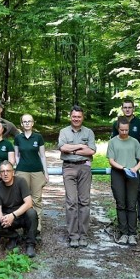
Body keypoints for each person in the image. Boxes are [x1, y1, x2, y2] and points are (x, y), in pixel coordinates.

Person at [58, 105, 97, 248]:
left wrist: (72, 148)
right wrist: (80, 147)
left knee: (84, 201)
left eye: (79, 117)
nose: (76, 119)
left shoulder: (89, 132)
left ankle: (83, 234)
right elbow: (63, 148)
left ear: (82, 117)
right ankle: (73, 235)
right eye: (74, 116)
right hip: (68, 167)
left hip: (84, 167)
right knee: (71, 201)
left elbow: (91, 151)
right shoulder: (63, 131)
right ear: (70, 117)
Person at [107, 117, 140, 246]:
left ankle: (132, 233)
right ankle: (123, 233)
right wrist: (121, 167)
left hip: (132, 174)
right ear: (118, 129)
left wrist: (135, 168)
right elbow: (111, 160)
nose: (124, 132)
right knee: (121, 203)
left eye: (126, 130)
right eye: (122, 130)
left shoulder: (134, 142)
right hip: (118, 173)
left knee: (131, 204)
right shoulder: (112, 142)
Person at [0, 161, 38, 258]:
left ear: (13, 172)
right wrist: (2, 218)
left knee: (32, 213)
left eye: (8, 171)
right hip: (8, 217)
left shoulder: (21, 181)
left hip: (21, 215)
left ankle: (30, 244)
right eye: (3, 171)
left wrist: (13, 215)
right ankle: (14, 237)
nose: (5, 174)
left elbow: (28, 203)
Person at [111, 99, 140, 225]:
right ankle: (123, 224)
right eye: (125, 107)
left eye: (130, 107)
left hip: (138, 161)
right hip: (121, 164)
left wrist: (138, 163)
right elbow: (115, 143)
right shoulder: (117, 123)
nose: (127, 109)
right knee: (122, 197)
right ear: (122, 109)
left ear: (133, 108)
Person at [14, 114, 48, 233]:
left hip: (37, 171)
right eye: (24, 122)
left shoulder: (38, 137)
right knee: (23, 199)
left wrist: (46, 173)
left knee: (36, 199)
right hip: (22, 171)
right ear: (22, 124)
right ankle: (24, 226)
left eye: (29, 121)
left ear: (33, 123)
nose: (27, 123)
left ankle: (36, 227)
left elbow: (43, 156)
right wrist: (19, 167)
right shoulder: (18, 138)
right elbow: (16, 155)